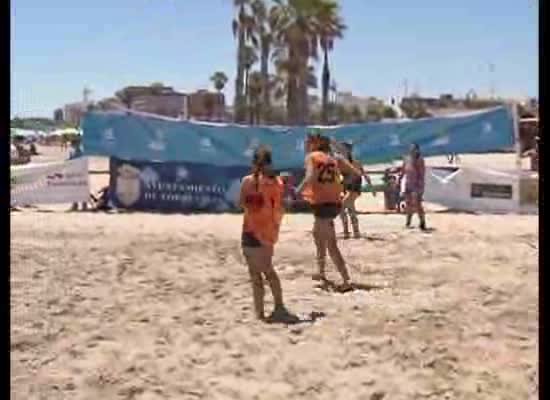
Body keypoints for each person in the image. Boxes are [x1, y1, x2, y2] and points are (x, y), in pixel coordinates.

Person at [296, 133, 363, 291]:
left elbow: (310, 176)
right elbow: (356, 174)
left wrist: (296, 192)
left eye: (309, 142)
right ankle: (321, 272)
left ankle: (347, 279)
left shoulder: (312, 157)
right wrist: (339, 184)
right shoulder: (334, 158)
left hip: (322, 203)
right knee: (318, 235)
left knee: (330, 243)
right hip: (333, 201)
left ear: (315, 144)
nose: (307, 145)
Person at [240, 146, 295, 322]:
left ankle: (260, 313)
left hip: (250, 229)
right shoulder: (276, 182)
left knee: (256, 275)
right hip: (268, 231)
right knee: (267, 270)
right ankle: (278, 307)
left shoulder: (249, 181)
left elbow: (240, 203)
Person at [339, 142, 375, 239]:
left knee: (342, 207)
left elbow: (364, 175)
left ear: (348, 151)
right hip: (347, 189)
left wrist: (372, 188)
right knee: (351, 210)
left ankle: (347, 232)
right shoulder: (341, 163)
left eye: (343, 149)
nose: (340, 151)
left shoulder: (355, 162)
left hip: (354, 189)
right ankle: (355, 232)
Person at [401, 143, 427, 230]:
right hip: (408, 183)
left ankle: (422, 222)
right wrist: (400, 179)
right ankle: (408, 222)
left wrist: (419, 187)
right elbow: (403, 169)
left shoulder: (419, 160)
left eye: (414, 149)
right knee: (408, 204)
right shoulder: (407, 158)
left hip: (417, 185)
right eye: (411, 149)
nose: (412, 150)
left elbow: (421, 174)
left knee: (417, 204)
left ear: (417, 150)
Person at [68, 139, 88, 212]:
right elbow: (70, 161)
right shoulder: (72, 151)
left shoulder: (83, 151)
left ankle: (84, 205)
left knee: (82, 188)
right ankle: (75, 204)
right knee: (74, 189)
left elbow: (84, 161)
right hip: (74, 172)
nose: (73, 145)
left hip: (81, 172)